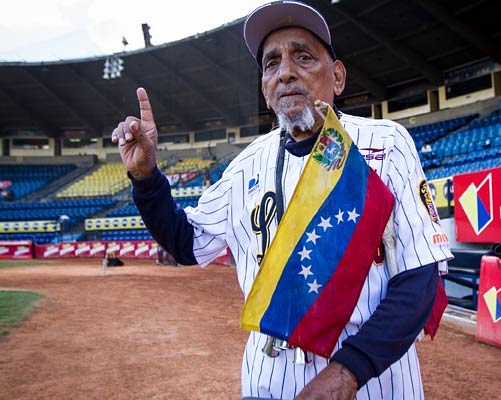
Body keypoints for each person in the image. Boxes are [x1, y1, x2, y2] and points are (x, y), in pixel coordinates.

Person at [111, 2, 452, 399]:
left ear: (337, 77)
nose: (286, 72)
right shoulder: (245, 165)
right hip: (267, 380)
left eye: (303, 57)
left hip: (372, 383)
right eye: (271, 64)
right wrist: (146, 177)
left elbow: (420, 278)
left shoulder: (385, 143)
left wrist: (345, 375)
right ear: (265, 89)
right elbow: (187, 242)